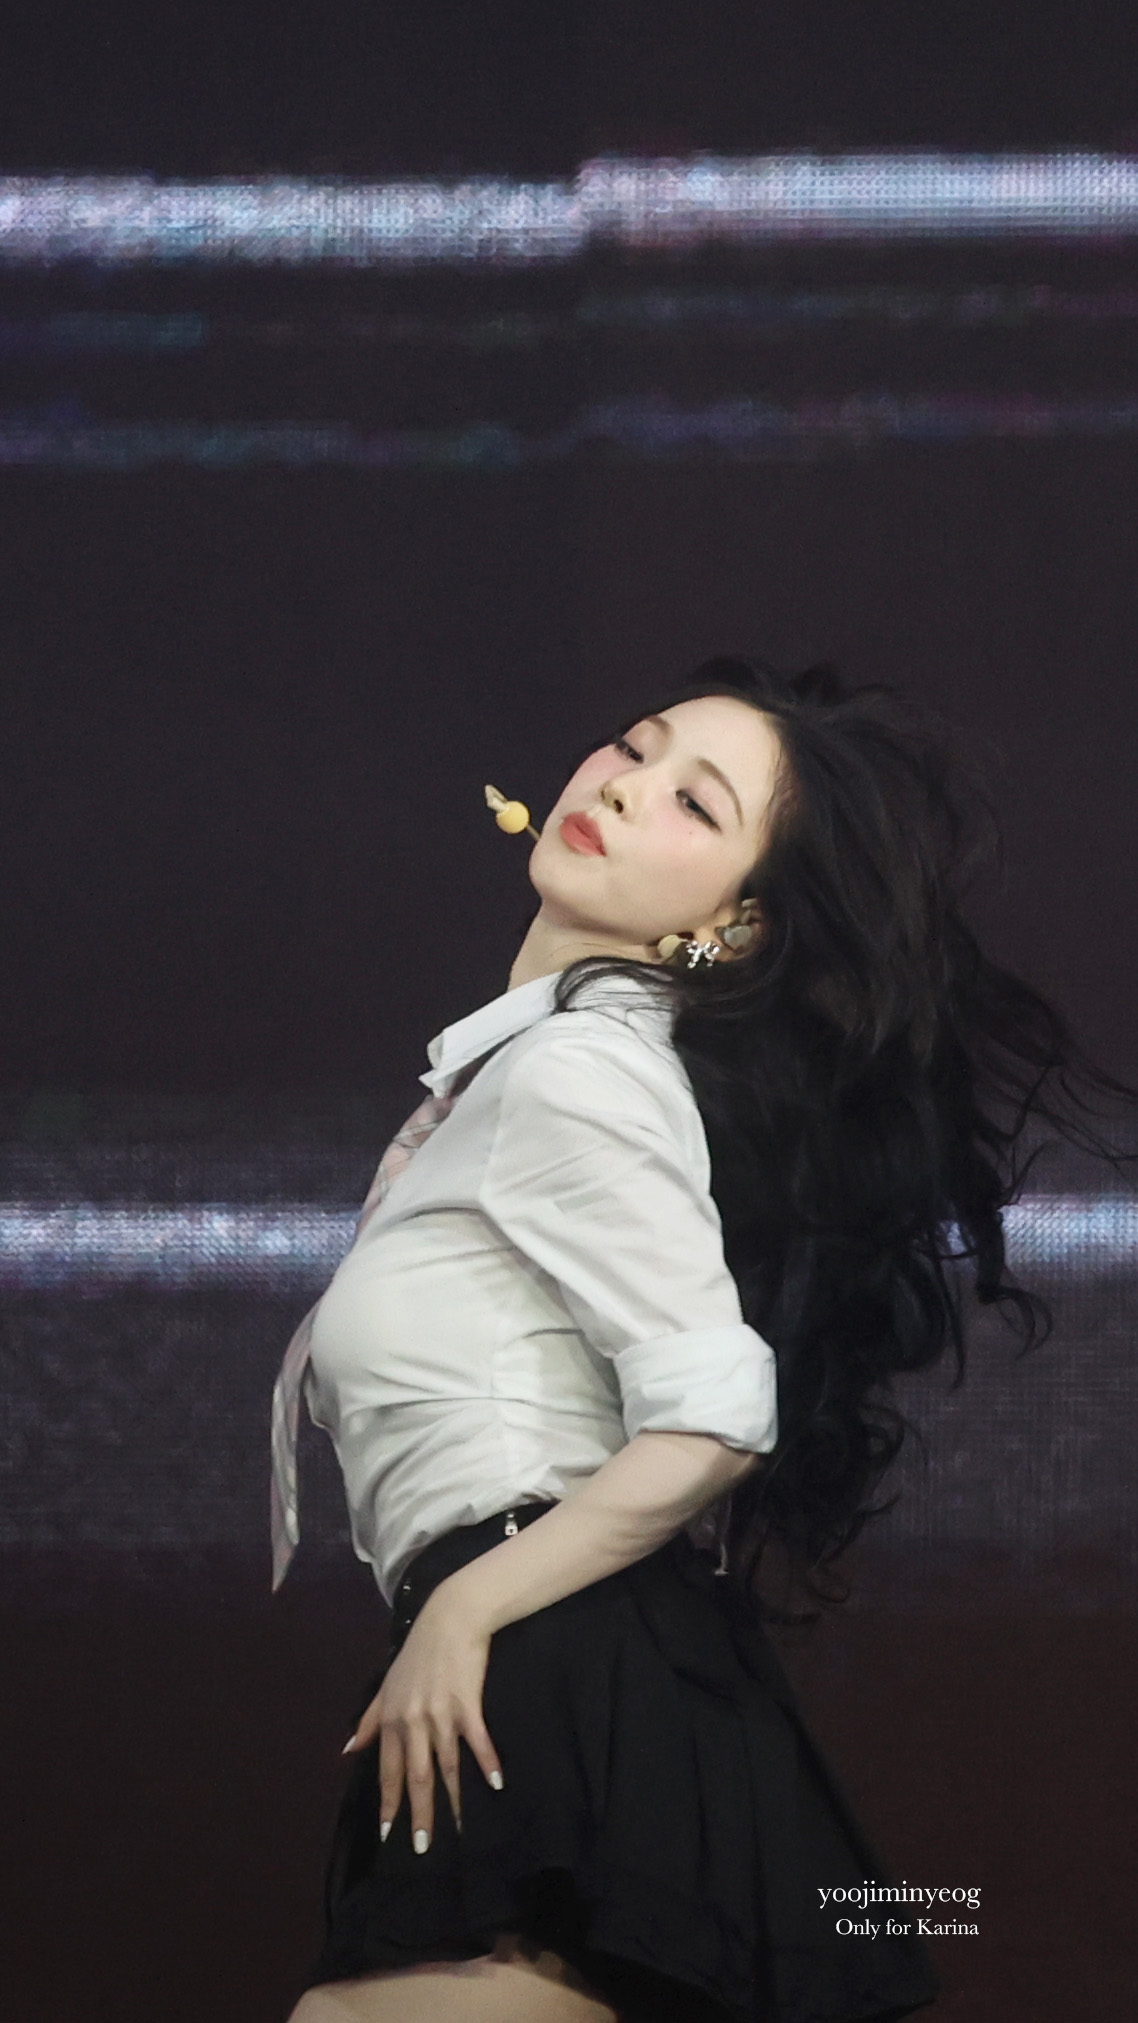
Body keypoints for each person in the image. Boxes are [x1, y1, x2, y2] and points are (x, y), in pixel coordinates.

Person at [274, 656, 1128, 2023]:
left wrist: (468, 1609)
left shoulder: (579, 1071)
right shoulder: (546, 1067)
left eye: (695, 801)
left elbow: (718, 1412)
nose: (625, 785)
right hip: (552, 1665)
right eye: (634, 746)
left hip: (537, 1661)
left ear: (736, 925)